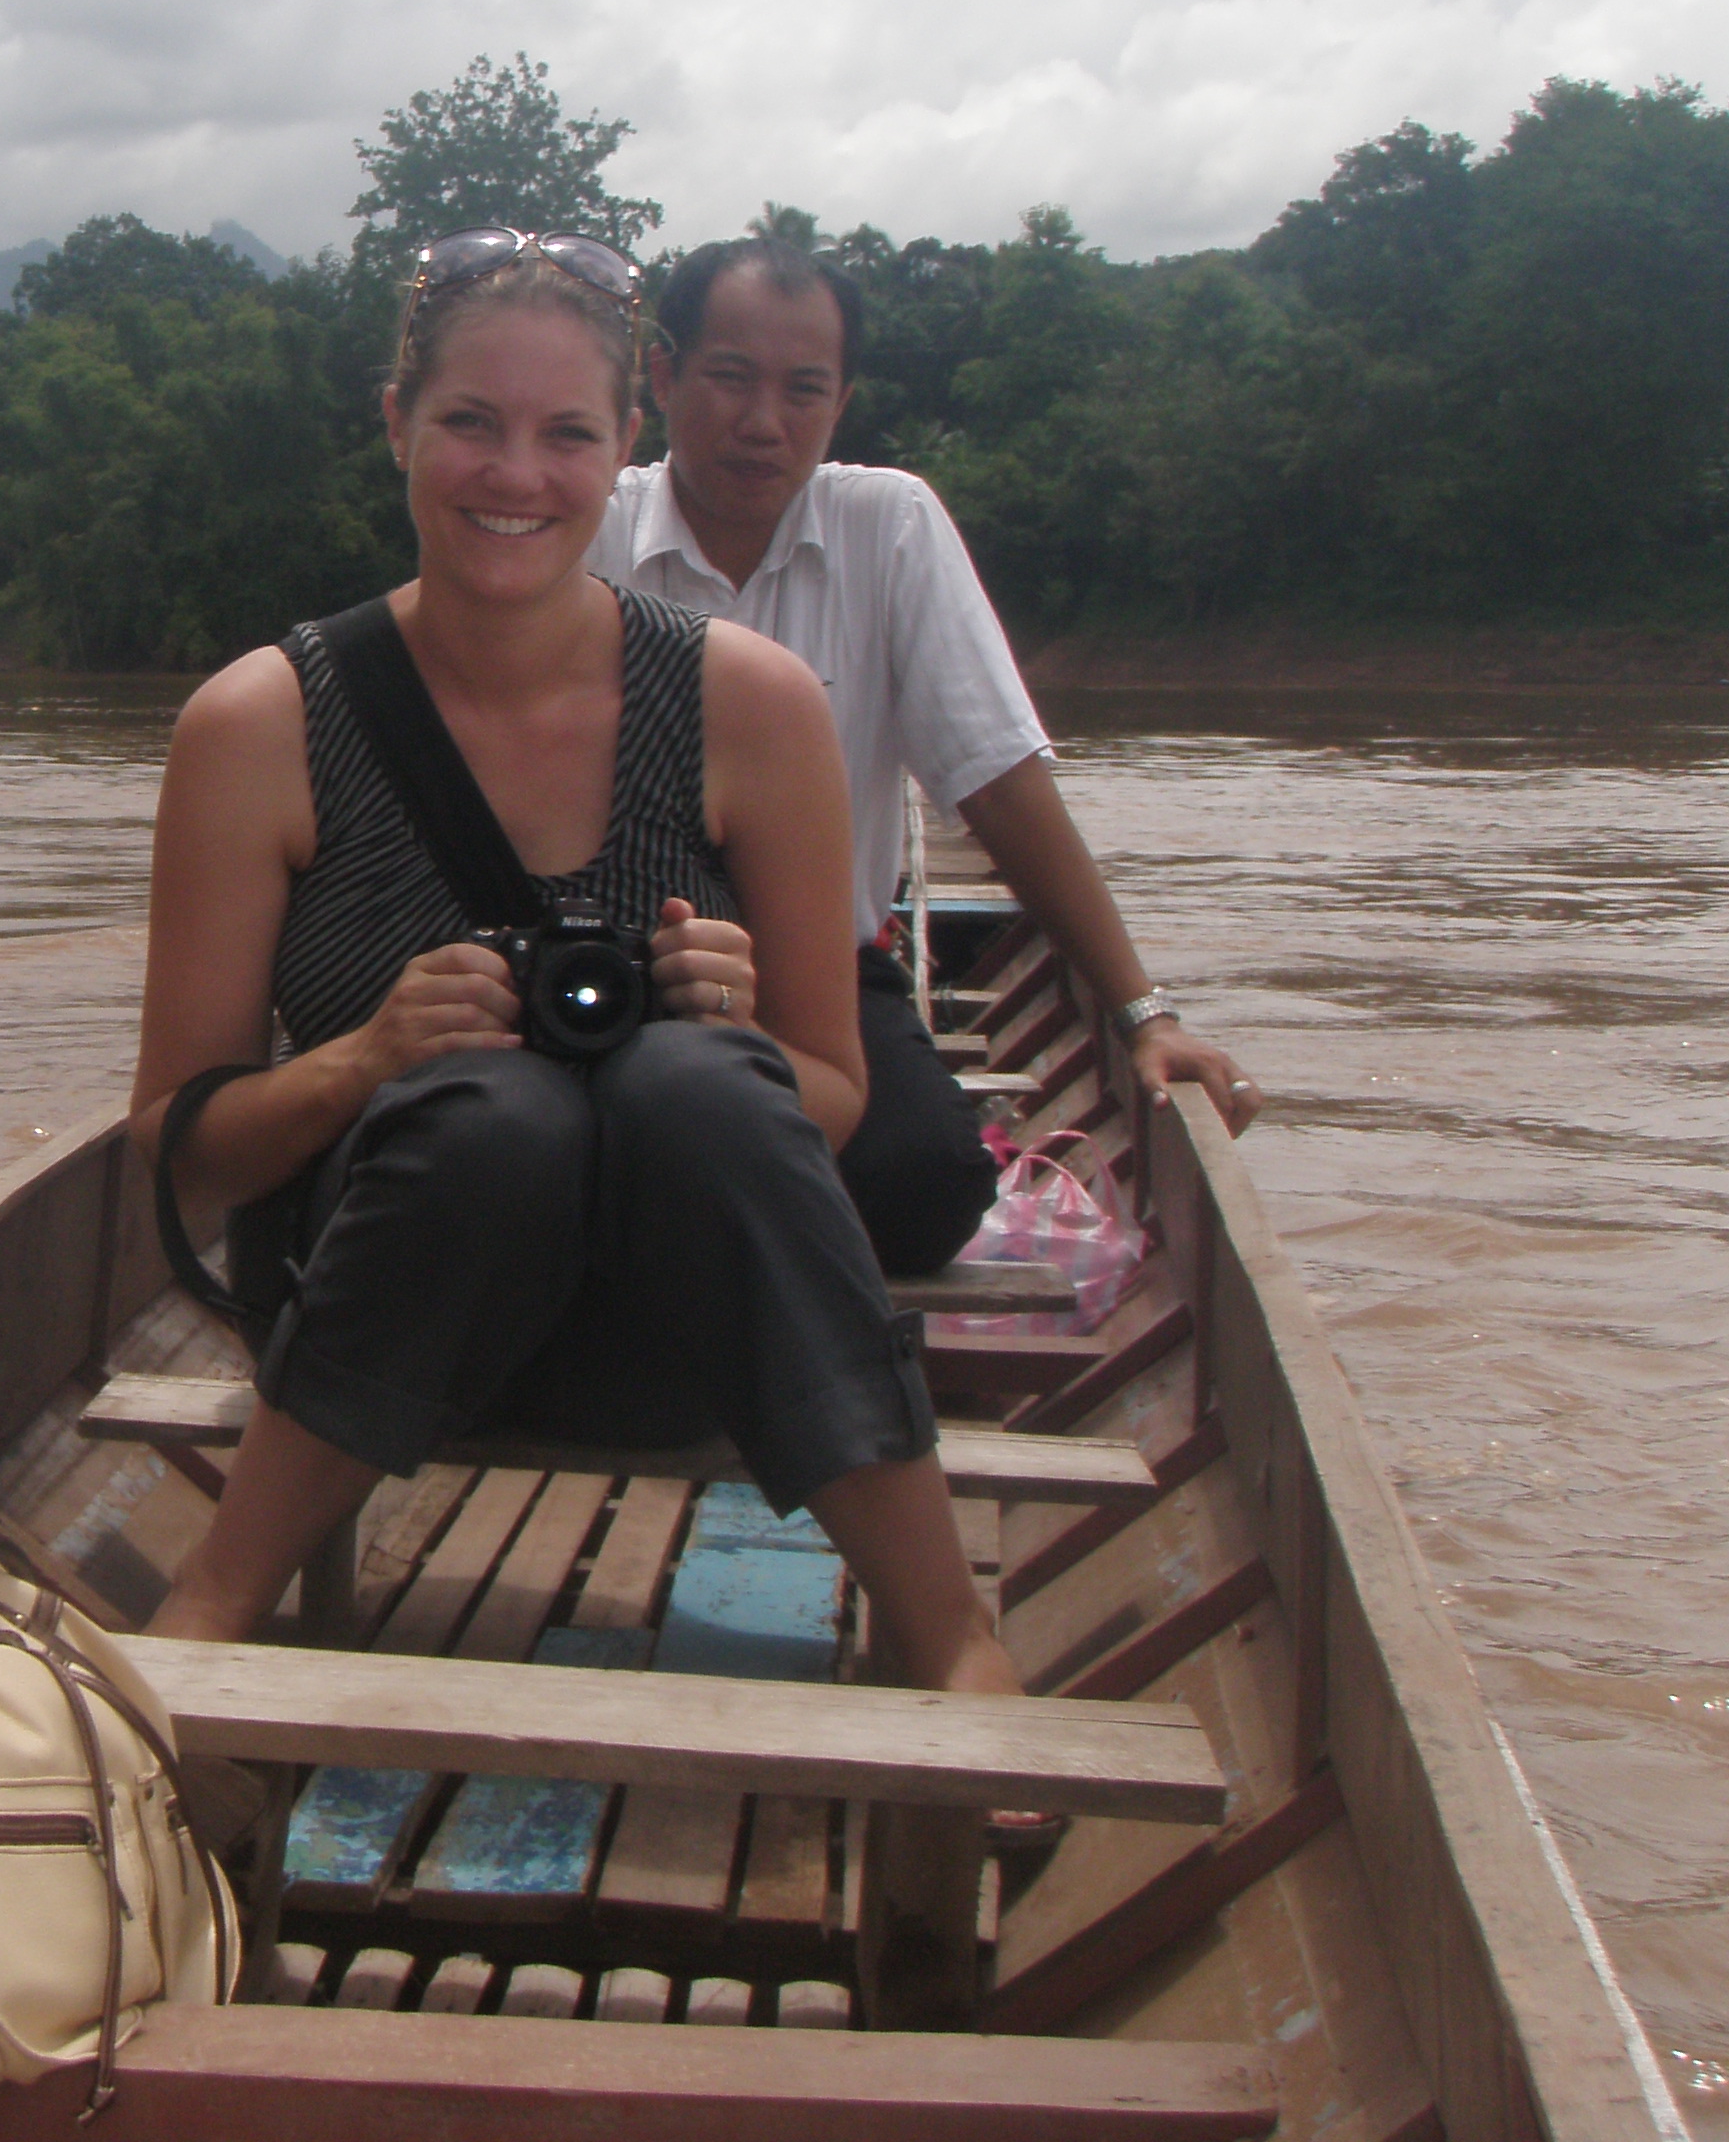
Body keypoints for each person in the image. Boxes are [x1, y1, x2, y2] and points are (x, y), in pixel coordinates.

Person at [129, 227, 1017, 1703]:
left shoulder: (752, 704)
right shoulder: (257, 725)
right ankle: (216, 1600)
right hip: (388, 1323)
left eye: (567, 434)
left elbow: (836, 1095)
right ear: (398, 422)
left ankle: (953, 1636)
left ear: (624, 450)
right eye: (470, 422)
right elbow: (177, 1148)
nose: (515, 477)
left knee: (698, 1086)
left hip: (691, 1326)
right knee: (497, 1111)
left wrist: (729, 1030)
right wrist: (366, 1058)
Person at [589, 238, 1261, 1276]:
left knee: (925, 1186)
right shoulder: (590, 527)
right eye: (729, 378)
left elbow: (997, 780)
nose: (764, 421)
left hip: (815, 979)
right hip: (608, 964)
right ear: (666, 377)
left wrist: (1141, 1013)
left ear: (841, 400)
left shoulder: (889, 525)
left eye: (803, 389)